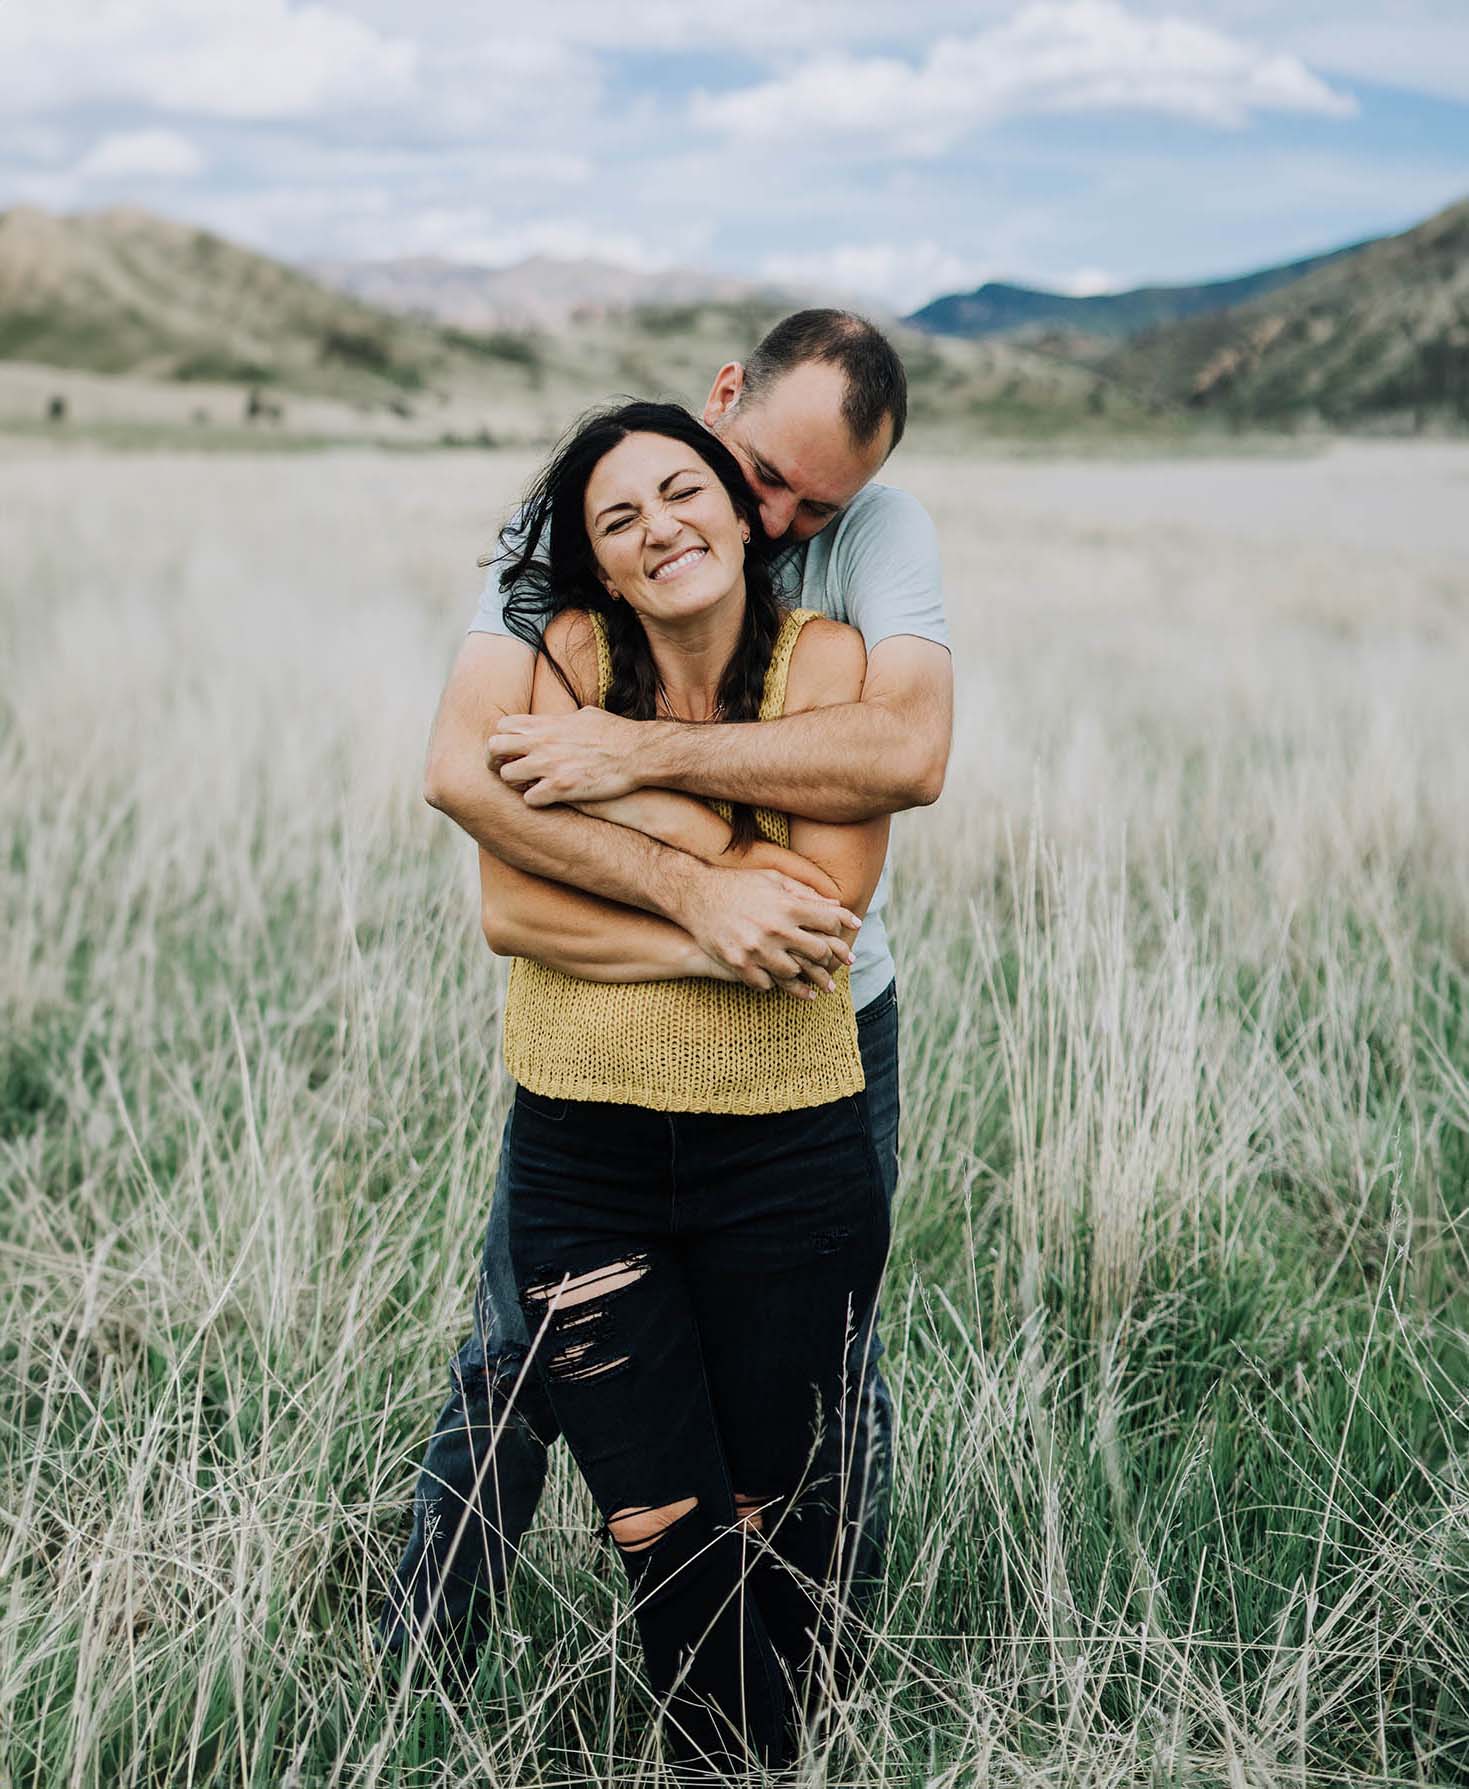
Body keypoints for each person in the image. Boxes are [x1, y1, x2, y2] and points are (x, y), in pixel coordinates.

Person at [378, 311, 952, 1669]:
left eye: (817, 500)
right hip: (610, 1018)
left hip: (818, 1012)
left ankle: (816, 1652)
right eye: (756, 473)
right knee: (518, 1347)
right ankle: (422, 1646)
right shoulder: (588, 516)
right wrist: (704, 891)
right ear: (722, 397)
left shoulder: (874, 535)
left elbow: (905, 751)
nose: (780, 514)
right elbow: (469, 777)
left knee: (828, 1357)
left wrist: (631, 751)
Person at [463, 400, 892, 1775]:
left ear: (734, 499)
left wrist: (630, 789)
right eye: (617, 518)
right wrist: (707, 893)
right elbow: (513, 906)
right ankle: (739, 1758)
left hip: (788, 1155)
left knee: (770, 1509)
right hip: (583, 1157)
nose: (658, 526)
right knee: (663, 1527)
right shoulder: (570, 651)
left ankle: (770, 1750)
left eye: (677, 489)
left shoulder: (825, 661)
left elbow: (815, 916)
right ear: (595, 562)